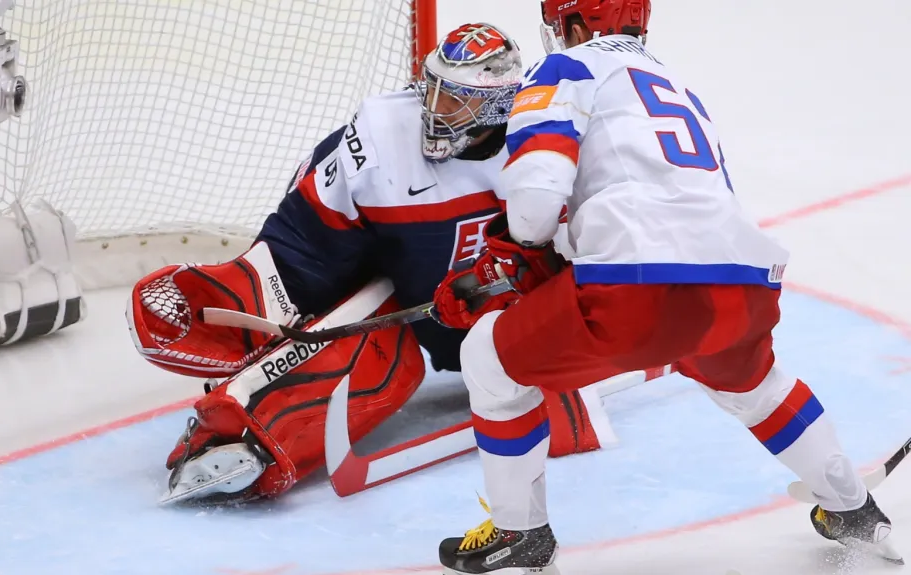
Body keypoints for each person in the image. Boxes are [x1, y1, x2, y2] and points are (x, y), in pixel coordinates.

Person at [430, 1, 901, 573]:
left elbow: (533, 213)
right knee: (757, 387)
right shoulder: (676, 84)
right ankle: (854, 510)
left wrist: (513, 263)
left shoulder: (566, 68)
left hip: (638, 288)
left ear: (575, 24)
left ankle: (520, 530)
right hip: (744, 282)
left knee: (488, 357)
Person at [127, 23, 608, 505]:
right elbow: (307, 238)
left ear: (498, 106)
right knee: (371, 352)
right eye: (433, 89)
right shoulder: (382, 134)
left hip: (486, 301)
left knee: (501, 344)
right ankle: (242, 441)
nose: (434, 109)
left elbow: (567, 251)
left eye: (455, 100)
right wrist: (252, 287)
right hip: (391, 268)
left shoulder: (544, 145)